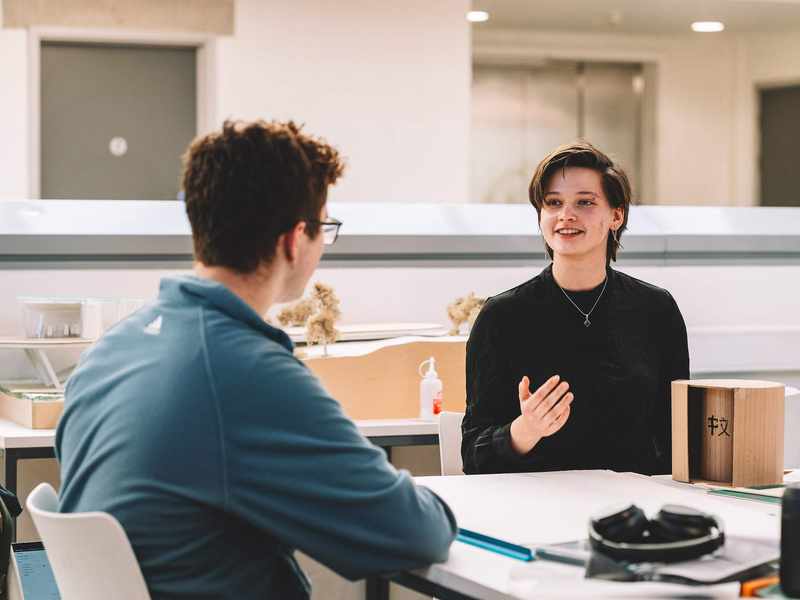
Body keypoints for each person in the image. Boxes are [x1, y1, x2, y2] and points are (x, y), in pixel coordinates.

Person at [56, 120, 457, 599]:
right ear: (294, 239)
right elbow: (416, 533)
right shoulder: (244, 371)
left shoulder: (113, 348)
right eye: (324, 229)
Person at [462, 141, 689, 476]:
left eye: (584, 202)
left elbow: (678, 439)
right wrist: (527, 430)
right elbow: (473, 455)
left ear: (616, 215)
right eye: (553, 203)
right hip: (536, 508)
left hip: (635, 511)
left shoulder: (656, 310)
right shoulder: (502, 317)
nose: (566, 215)